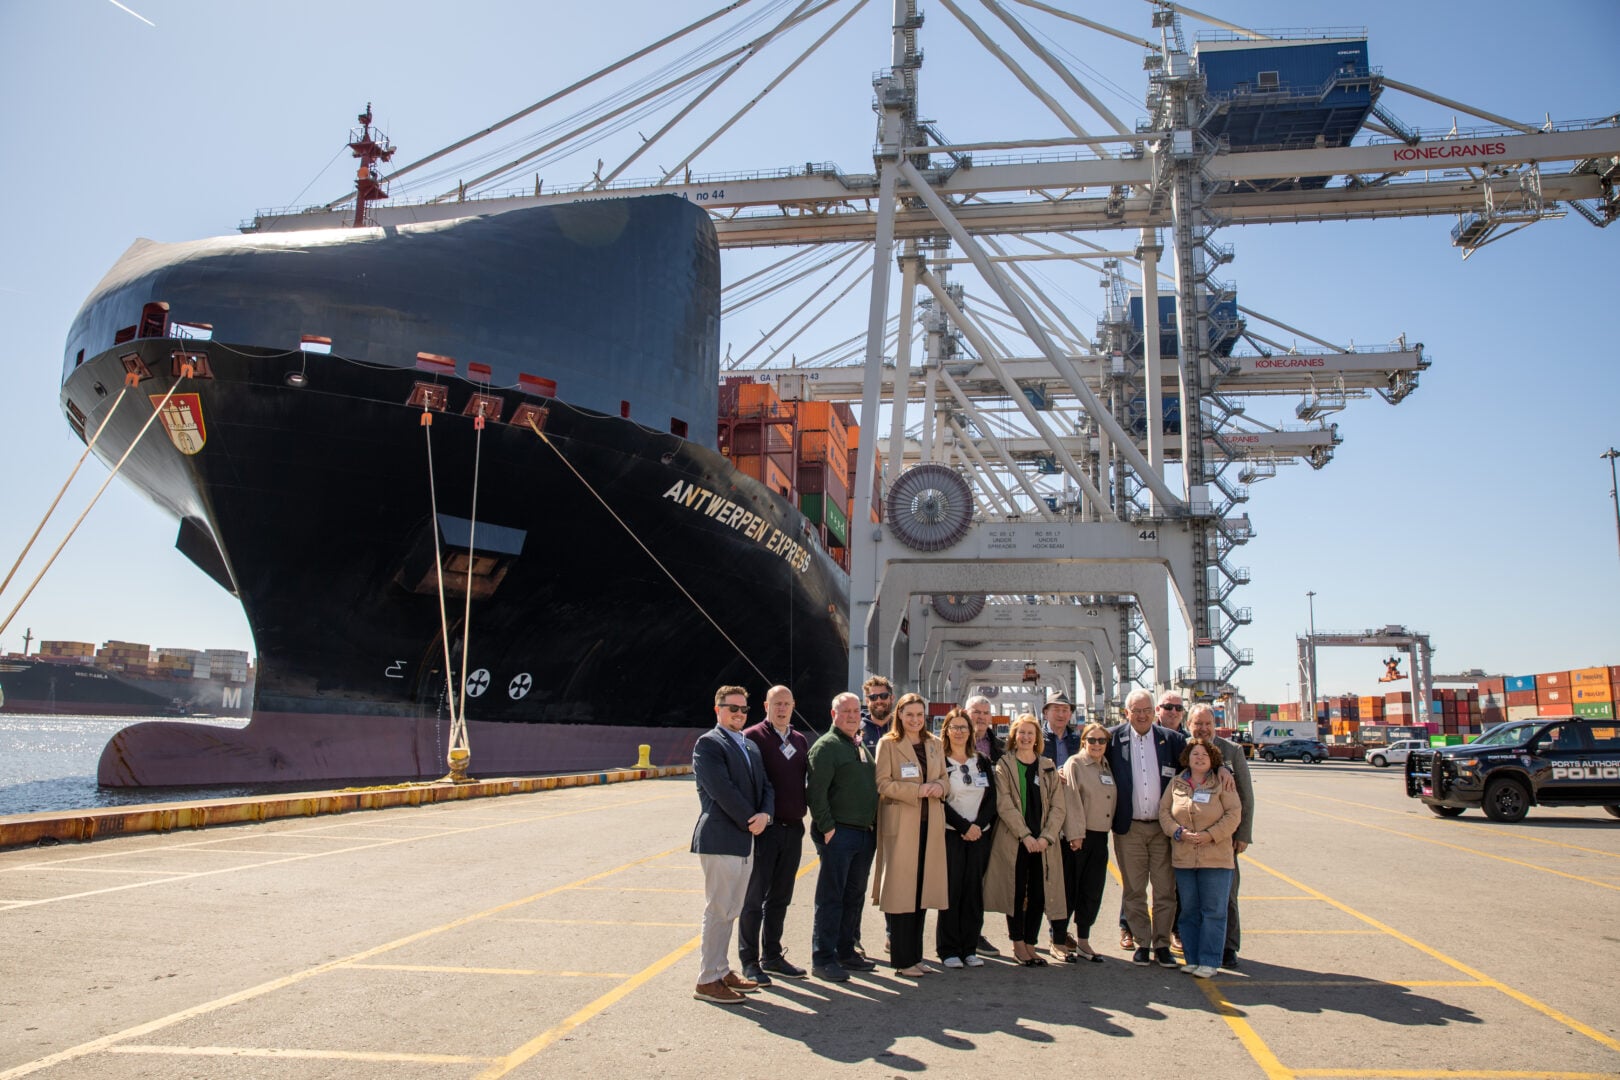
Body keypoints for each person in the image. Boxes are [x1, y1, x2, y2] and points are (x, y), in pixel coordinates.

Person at [691, 686, 774, 1005]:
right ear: (717, 710)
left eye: (743, 709)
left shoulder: (750, 746)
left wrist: (765, 813)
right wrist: (750, 818)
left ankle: (722, 969)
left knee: (731, 908)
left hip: (745, 835)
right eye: (731, 708)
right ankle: (707, 979)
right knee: (718, 908)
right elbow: (720, 789)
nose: (739, 714)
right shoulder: (709, 744)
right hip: (722, 836)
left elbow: (766, 784)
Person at [871, 692, 949, 978]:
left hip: (930, 826)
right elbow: (883, 783)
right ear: (899, 715)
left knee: (921, 893)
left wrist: (940, 787)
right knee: (903, 893)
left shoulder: (934, 744)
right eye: (909, 714)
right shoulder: (888, 745)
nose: (915, 719)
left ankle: (916, 957)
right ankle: (902, 961)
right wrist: (916, 791)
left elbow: (944, 778)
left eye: (919, 714)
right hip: (903, 825)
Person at [1106, 688, 1185, 968]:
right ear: (1126, 713)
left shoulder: (1173, 740)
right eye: (1135, 711)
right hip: (1130, 828)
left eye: (1146, 710)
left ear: (1155, 712)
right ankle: (1142, 942)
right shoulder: (1112, 739)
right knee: (1134, 889)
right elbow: (1088, 761)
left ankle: (1162, 943)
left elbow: (1200, 761)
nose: (1141, 715)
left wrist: (1223, 770)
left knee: (1165, 889)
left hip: (1163, 829)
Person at [738, 684, 810, 985]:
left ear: (793, 706)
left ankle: (773, 955)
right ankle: (749, 960)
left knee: (781, 897)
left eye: (786, 704)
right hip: (764, 830)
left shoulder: (800, 739)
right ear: (765, 705)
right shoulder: (752, 737)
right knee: (754, 897)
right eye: (776, 703)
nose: (781, 709)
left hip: (793, 828)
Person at [805, 691, 879, 983]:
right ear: (833, 715)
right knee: (831, 897)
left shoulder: (857, 745)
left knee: (853, 896)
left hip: (863, 833)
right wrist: (828, 827)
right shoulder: (826, 747)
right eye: (844, 711)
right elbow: (815, 792)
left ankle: (846, 950)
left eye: (855, 711)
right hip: (840, 833)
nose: (851, 716)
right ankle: (823, 958)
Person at [985, 713, 1066, 967]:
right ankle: (1018, 943)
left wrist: (1047, 836)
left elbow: (1058, 806)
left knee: (1040, 894)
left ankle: (1031, 943)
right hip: (1016, 840)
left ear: (1037, 738)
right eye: (1021, 732)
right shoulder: (1004, 765)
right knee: (1016, 892)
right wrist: (1025, 835)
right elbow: (1004, 803)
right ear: (1014, 736)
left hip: (1042, 842)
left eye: (1031, 733)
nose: (1026, 737)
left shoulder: (1048, 766)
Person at [1159, 738, 1242, 978]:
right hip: (1184, 857)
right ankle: (1192, 958)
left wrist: (1210, 835)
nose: (1199, 758)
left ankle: (1209, 960)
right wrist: (1177, 832)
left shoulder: (1222, 783)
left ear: (1213, 759)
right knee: (1189, 911)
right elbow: (1164, 811)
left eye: (1204, 755)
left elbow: (1234, 814)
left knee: (1213, 910)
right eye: (1195, 754)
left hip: (1216, 857)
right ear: (1187, 757)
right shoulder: (1177, 783)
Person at [1186, 703, 1254, 969]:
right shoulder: (1182, 749)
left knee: (1227, 895)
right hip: (1189, 837)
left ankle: (1228, 946)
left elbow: (1246, 796)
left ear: (1215, 726)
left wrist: (1244, 834)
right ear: (1188, 725)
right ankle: (1194, 943)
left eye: (1207, 724)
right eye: (1197, 724)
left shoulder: (1232, 751)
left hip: (1224, 837)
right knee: (1190, 896)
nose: (1202, 728)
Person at [936, 707, 996, 969]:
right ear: (946, 731)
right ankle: (948, 949)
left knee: (974, 893)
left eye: (964, 727)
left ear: (971, 732)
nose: (960, 732)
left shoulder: (981, 760)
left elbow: (992, 798)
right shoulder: (939, 760)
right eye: (955, 727)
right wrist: (963, 827)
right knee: (951, 891)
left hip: (978, 836)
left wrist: (978, 826)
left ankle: (969, 947)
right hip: (952, 835)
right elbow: (939, 800)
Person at [1057, 721, 1116, 963]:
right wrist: (1075, 834)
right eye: (1091, 740)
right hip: (1079, 837)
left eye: (1101, 740)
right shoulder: (1076, 764)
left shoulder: (1106, 767)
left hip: (1100, 836)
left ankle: (1083, 941)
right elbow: (1071, 799)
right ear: (1084, 741)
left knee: (1091, 891)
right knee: (1069, 890)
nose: (1097, 744)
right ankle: (1059, 941)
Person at [1039, 688, 1082, 959]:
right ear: (1046, 712)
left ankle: (1060, 928)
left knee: (1070, 878)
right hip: (1043, 817)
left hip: (1074, 817)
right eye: (1056, 708)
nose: (1061, 713)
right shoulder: (1034, 738)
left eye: (1065, 709)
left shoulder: (1080, 740)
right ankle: (1050, 932)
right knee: (1044, 879)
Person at [1041, 689, 1082, 768]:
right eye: (1056, 710)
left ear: (1070, 715)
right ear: (1046, 714)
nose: (1061, 715)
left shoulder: (1078, 742)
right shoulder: (1035, 740)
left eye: (1065, 710)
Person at [859, 675, 894, 757]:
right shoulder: (856, 728)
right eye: (873, 697)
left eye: (884, 696)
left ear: (892, 698)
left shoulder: (902, 726)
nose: (879, 701)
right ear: (867, 701)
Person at [966, 694, 1003, 763]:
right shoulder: (954, 743)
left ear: (990, 717)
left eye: (986, 713)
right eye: (977, 712)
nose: (982, 717)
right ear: (965, 714)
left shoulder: (1002, 746)